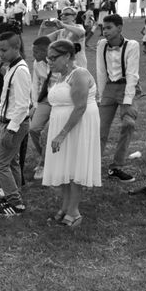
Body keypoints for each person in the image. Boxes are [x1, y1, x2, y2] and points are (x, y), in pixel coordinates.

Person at [42, 40, 101, 227]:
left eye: (53, 58)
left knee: (75, 166)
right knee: (64, 166)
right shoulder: (60, 76)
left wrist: (62, 134)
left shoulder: (79, 74)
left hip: (79, 126)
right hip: (62, 125)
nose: (50, 62)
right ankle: (66, 206)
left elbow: (80, 107)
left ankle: (74, 211)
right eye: (48, 58)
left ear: (67, 56)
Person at [0, 31, 32, 216]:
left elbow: (23, 105)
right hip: (7, 121)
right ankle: (14, 194)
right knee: (12, 162)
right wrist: (0, 114)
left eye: (4, 50)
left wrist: (11, 129)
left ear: (16, 47)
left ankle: (16, 203)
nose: (0, 54)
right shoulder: (11, 67)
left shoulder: (21, 70)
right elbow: (8, 97)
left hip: (15, 124)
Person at [96, 14, 140, 183]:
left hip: (127, 86)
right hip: (108, 87)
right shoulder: (101, 45)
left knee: (128, 123)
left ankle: (116, 167)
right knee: (100, 129)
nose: (104, 31)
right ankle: (93, 164)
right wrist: (101, 95)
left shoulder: (132, 45)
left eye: (108, 28)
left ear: (119, 28)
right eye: (103, 28)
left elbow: (132, 74)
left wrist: (128, 100)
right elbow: (100, 71)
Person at [29, 36, 53, 180]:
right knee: (34, 129)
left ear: (47, 51)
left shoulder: (59, 62)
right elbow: (35, 84)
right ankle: (46, 157)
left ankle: (44, 163)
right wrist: (35, 105)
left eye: (37, 52)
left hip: (61, 102)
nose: (34, 54)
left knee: (47, 132)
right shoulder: (36, 63)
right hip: (45, 100)